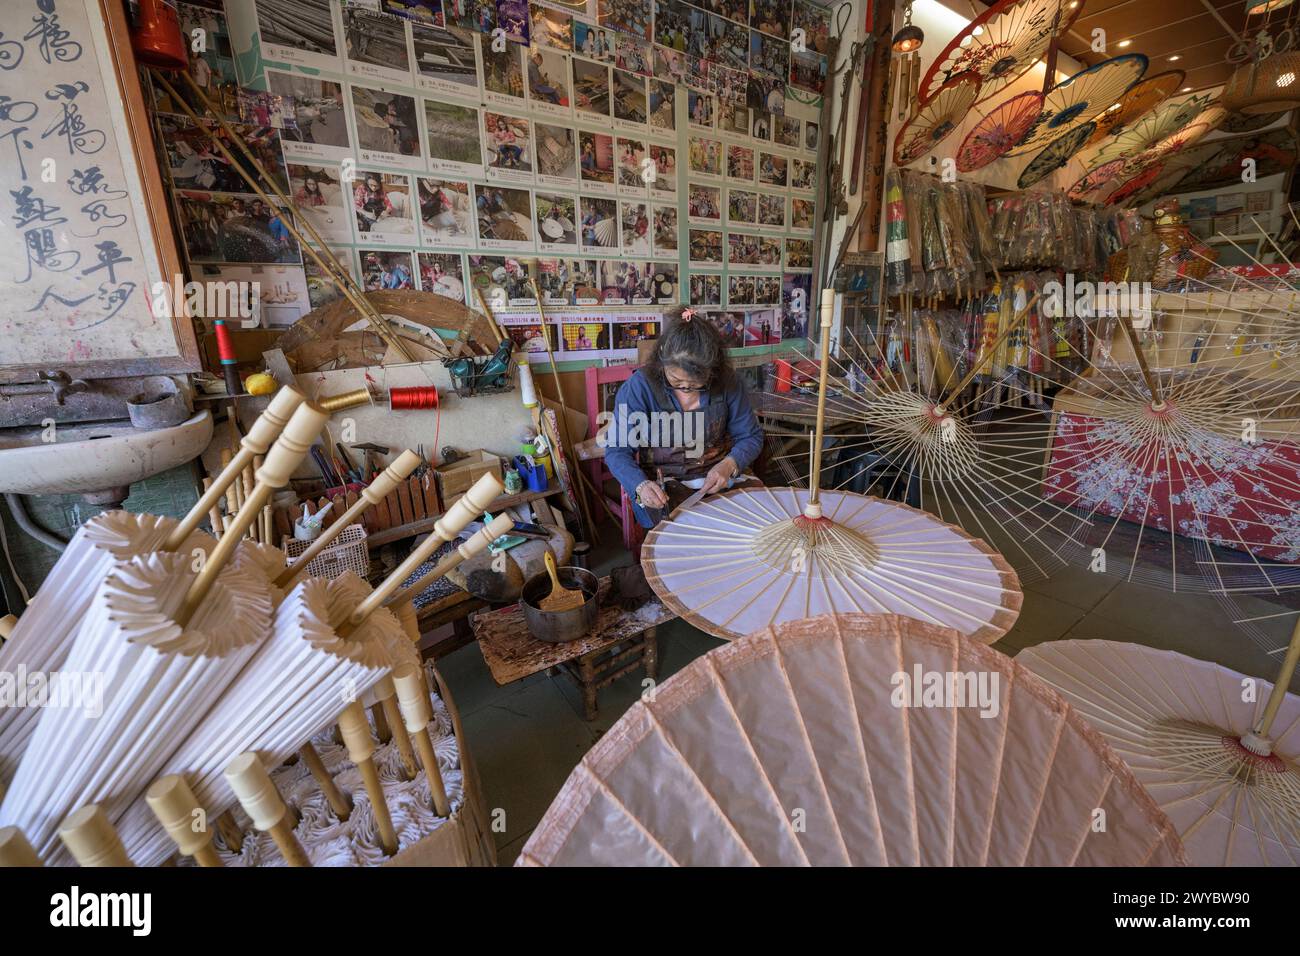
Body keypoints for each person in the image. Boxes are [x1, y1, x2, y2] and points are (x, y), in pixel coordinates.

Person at [605, 307, 763, 528]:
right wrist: (640, 485)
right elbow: (616, 451)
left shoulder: (728, 382)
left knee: (758, 517)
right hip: (665, 482)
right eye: (676, 380)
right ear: (661, 363)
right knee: (681, 533)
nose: (686, 387)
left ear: (713, 369)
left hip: (720, 474)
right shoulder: (639, 387)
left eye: (696, 382)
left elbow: (751, 436)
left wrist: (730, 464)